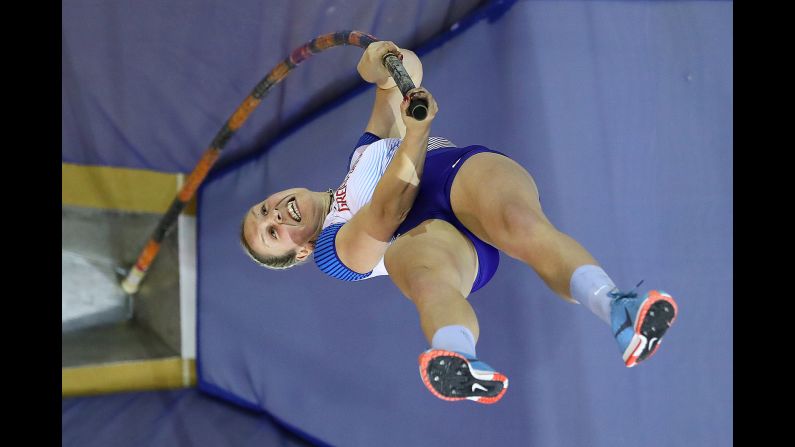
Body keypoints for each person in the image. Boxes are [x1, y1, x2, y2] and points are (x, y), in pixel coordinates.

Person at [240, 41, 678, 404]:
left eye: (265, 210)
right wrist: (415, 135)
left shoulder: (363, 154)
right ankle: (457, 356)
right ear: (299, 252)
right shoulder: (335, 257)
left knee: (522, 224)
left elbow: (404, 68)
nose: (274, 215)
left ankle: (617, 307)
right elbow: (387, 212)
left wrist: (376, 61)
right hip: (431, 241)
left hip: (460, 177)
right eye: (273, 233)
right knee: (424, 278)